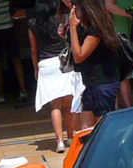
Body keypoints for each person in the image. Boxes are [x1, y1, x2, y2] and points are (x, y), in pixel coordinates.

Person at [28, 0, 75, 153]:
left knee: (55, 106)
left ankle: (59, 141)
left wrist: (36, 68)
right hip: (63, 62)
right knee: (69, 105)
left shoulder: (33, 23)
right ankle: (70, 138)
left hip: (45, 65)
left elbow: (34, 49)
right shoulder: (62, 19)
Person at [69, 0, 121, 128]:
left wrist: (72, 28)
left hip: (102, 85)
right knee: (87, 133)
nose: (74, 11)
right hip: (91, 85)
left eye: (77, 7)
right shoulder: (85, 28)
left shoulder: (96, 29)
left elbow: (79, 56)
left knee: (105, 131)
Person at [105, 0, 133, 106]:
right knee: (124, 75)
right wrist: (127, 13)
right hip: (121, 37)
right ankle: (128, 107)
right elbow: (108, 5)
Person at [57, 0, 85, 141]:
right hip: (77, 72)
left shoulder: (83, 12)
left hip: (86, 71)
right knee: (77, 114)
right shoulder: (70, 13)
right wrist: (66, 34)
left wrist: (72, 29)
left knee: (80, 114)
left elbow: (80, 53)